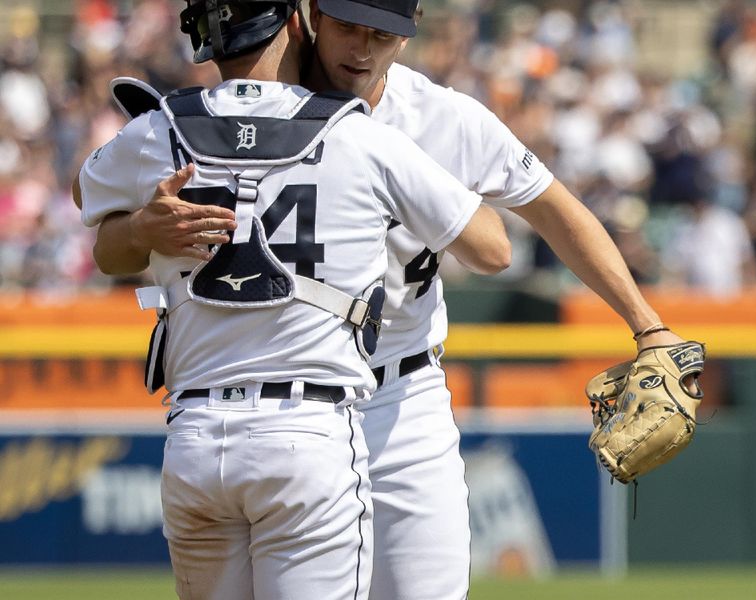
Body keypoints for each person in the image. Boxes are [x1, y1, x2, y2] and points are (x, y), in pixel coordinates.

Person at [87, 1, 695, 599]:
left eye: (381, 33)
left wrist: (648, 325)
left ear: (409, 33)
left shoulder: (443, 118)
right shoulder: (239, 112)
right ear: (310, 18)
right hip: (290, 399)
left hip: (400, 396)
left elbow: (558, 214)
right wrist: (143, 227)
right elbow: (109, 241)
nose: (362, 48)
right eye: (348, 26)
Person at [73, 1, 510, 599]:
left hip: (196, 436)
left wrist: (145, 228)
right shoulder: (357, 134)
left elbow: (90, 206)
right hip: (309, 429)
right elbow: (493, 249)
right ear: (298, 22)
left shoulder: (160, 130)